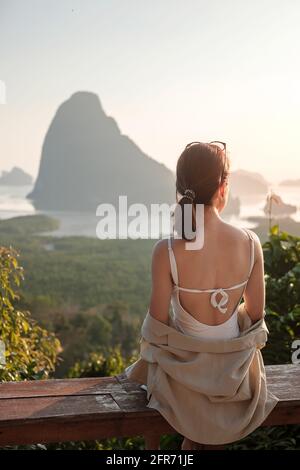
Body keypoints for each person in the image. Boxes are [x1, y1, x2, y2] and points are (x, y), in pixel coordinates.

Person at [125, 141, 278, 450]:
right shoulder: (250, 243)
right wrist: (224, 326)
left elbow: (157, 325)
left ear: (181, 188)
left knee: (192, 440)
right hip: (235, 377)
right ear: (223, 187)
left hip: (184, 378)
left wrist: (194, 338)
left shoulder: (166, 250)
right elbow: (256, 314)